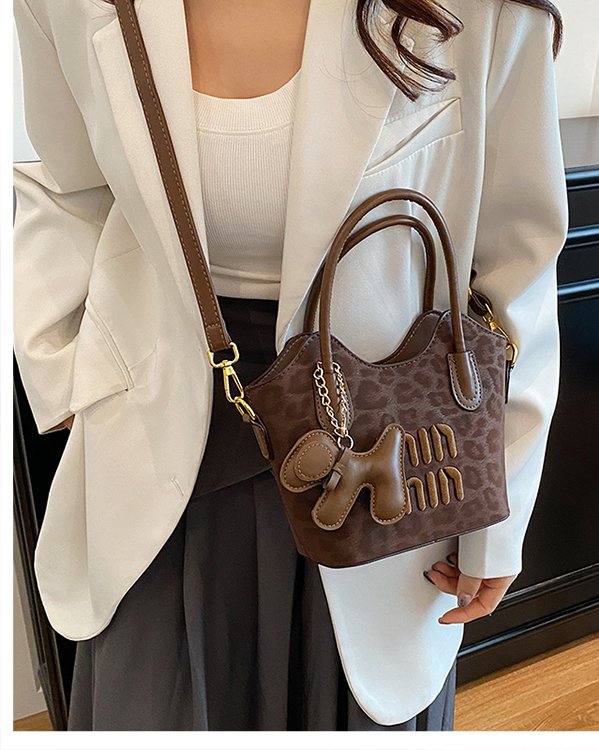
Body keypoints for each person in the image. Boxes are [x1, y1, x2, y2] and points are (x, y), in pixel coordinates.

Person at [13, 0, 568, 732]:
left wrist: (501, 510)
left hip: (390, 458)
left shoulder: (484, 9)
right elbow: (69, 187)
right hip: (155, 457)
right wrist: (59, 373)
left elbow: (517, 263)